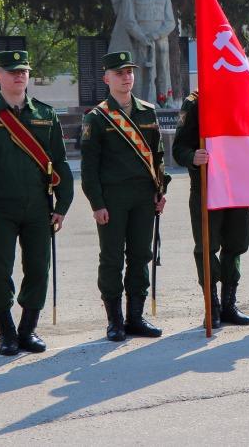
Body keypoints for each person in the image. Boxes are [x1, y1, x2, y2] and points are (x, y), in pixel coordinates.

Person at [0, 50, 74, 356]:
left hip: (39, 205)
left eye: (23, 71)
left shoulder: (45, 114)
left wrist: (63, 204)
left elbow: (60, 162)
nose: (19, 76)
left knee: (38, 267)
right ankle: (6, 332)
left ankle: (28, 329)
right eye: (12, 71)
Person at [80, 51, 169, 342]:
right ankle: (115, 320)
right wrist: (97, 203)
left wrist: (161, 190)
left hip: (144, 197)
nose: (126, 77)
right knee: (112, 259)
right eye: (119, 73)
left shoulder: (147, 111)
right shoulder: (97, 117)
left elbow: (157, 156)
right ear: (107, 78)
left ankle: (135, 317)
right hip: (113, 198)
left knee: (141, 256)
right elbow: (89, 167)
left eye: (129, 72)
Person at [172, 92, 249, 328]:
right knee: (207, 247)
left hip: (237, 186)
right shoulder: (196, 102)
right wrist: (192, 156)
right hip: (208, 187)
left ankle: (229, 303)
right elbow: (179, 148)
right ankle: (213, 305)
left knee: (236, 245)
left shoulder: (243, 96)